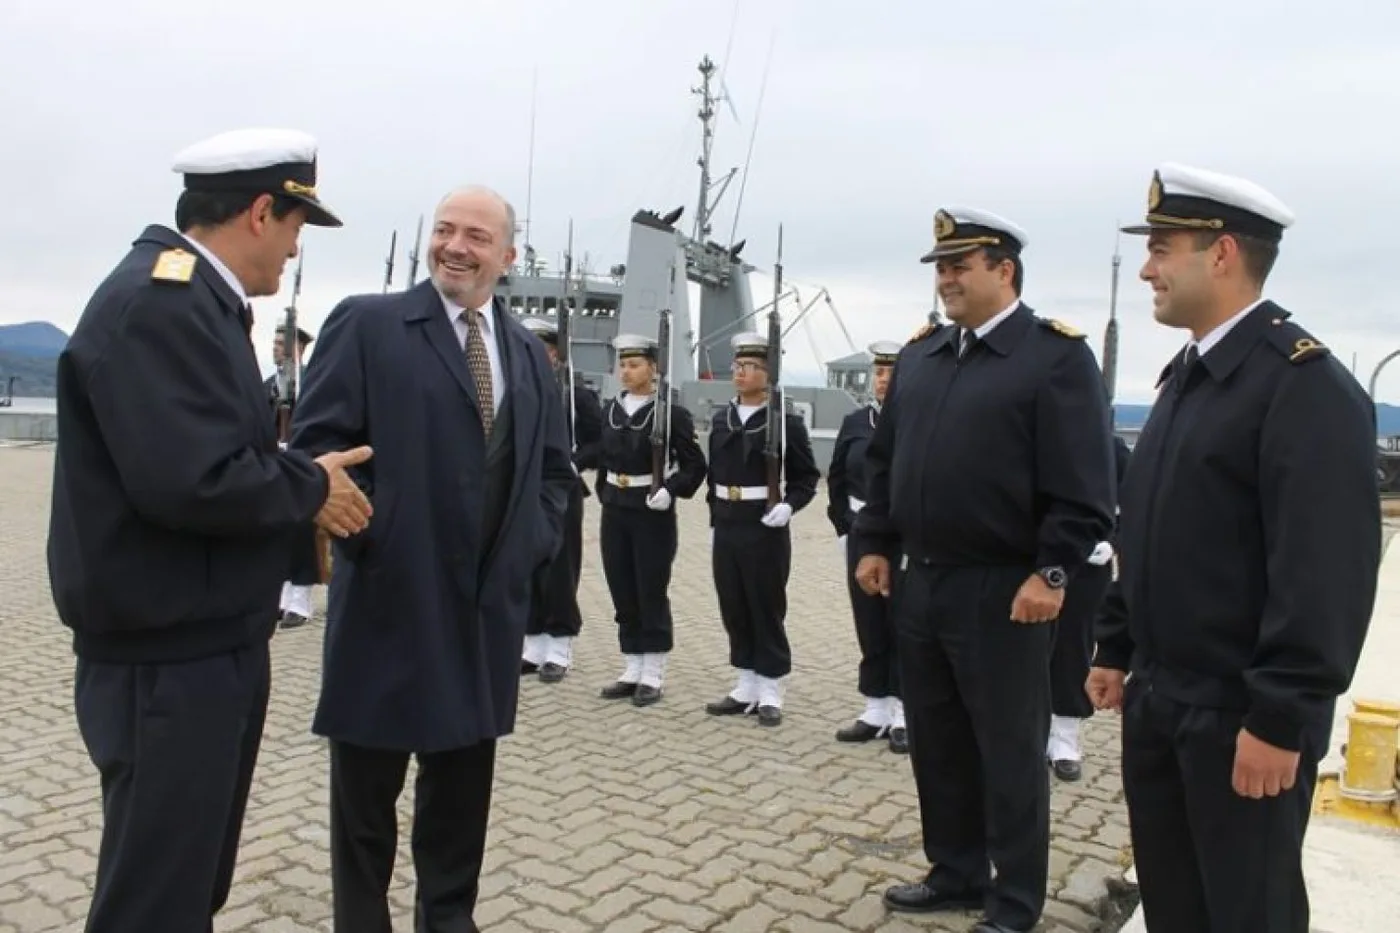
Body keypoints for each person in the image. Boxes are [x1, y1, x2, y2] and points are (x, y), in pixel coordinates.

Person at [46, 127, 372, 933]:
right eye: (297, 229)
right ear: (262, 212)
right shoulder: (162, 303)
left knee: (186, 887)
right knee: (154, 900)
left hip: (200, 647)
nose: (294, 252)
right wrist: (311, 483)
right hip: (168, 666)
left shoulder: (198, 302)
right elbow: (191, 477)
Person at [1087, 163, 1381, 933]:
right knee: (1177, 906)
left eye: (1161, 246)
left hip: (1240, 715)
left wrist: (1282, 717)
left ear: (1220, 253)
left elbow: (1324, 574)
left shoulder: (1302, 387)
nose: (1149, 266)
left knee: (1249, 912)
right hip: (1161, 700)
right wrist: (1115, 643)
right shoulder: (1189, 377)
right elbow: (1146, 527)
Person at [289, 184, 576, 933]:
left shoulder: (524, 352)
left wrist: (527, 550)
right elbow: (317, 453)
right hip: (389, 605)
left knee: (458, 810)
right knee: (365, 813)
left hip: (484, 616)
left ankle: (447, 923)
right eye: (445, 229)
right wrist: (374, 534)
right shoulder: (368, 324)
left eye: (476, 236)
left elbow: (552, 473)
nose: (455, 245)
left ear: (507, 255)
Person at [854, 207, 1116, 933]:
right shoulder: (924, 357)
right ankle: (956, 869)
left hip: (1007, 588)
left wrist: (1053, 572)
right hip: (924, 581)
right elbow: (886, 463)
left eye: (958, 266)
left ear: (1004, 270)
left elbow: (1085, 486)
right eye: (939, 267)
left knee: (1008, 748)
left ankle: (1016, 896)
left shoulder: (1054, 357)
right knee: (938, 740)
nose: (945, 280)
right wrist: (875, 539)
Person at [704, 331, 821, 726]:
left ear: (768, 374)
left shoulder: (785, 421)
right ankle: (745, 683)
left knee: (765, 604)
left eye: (751, 367)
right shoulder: (722, 417)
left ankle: (770, 687)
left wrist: (789, 506)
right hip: (728, 520)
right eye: (738, 366)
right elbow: (714, 473)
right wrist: (713, 521)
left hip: (764, 524)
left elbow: (806, 477)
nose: (741, 373)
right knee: (733, 603)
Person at [594, 333, 707, 705]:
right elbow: (602, 457)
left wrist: (671, 490)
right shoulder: (609, 409)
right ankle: (631, 665)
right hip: (615, 508)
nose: (626, 372)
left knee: (650, 589)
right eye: (622, 365)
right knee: (621, 587)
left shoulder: (671, 413)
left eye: (635, 364)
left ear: (653, 369)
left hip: (651, 510)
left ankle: (653, 671)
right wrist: (605, 493)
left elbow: (694, 465)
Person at [827, 339, 907, 754]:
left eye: (891, 373)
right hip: (862, 532)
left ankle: (904, 711)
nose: (883, 380)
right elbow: (838, 479)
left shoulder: (918, 421)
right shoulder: (856, 422)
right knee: (869, 620)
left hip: (903, 536)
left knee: (903, 622)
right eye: (878, 372)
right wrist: (844, 529)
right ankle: (875, 705)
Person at [518, 315, 603, 681]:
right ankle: (532, 644)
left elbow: (601, 442)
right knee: (525, 567)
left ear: (556, 354)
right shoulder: (516, 390)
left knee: (559, 567)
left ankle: (560, 646)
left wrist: (573, 463)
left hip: (561, 489)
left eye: (543, 349)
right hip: (521, 489)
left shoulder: (576, 396)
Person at [1046, 433, 1131, 781]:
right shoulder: (1035, 438)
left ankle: (1064, 739)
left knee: (1072, 647)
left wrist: (1112, 541)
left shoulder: (1112, 449)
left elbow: (1134, 504)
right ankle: (1028, 733)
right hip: (1035, 561)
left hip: (1087, 568)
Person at [266, 323, 322, 629]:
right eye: (274, 342)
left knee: (301, 528)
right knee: (278, 529)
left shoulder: (312, 381)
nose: (276, 347)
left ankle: (301, 597)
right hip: (274, 463)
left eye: (282, 342)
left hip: (303, 462)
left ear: (299, 348)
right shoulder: (266, 385)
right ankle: (283, 593)